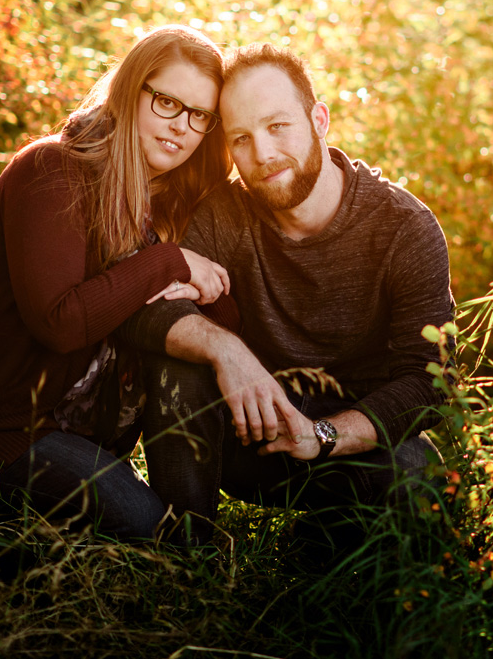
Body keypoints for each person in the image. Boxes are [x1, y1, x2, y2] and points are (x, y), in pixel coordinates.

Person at [0, 24, 236, 540]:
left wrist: (205, 292)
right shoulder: (53, 169)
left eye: (200, 115)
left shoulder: (171, 201)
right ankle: (179, 546)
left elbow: (224, 320)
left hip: (54, 425)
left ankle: (194, 540)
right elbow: (59, 322)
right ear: (132, 92)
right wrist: (169, 263)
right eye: (167, 103)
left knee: (157, 516)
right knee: (139, 522)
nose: (181, 126)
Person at [117, 43, 456, 545]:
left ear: (319, 119)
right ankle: (186, 553)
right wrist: (224, 349)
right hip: (247, 437)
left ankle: (316, 549)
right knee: (178, 356)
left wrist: (324, 437)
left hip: (348, 447)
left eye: (278, 126)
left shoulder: (404, 228)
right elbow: (148, 311)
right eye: (242, 139)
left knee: (420, 477)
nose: (263, 155)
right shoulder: (225, 214)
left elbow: (431, 381)